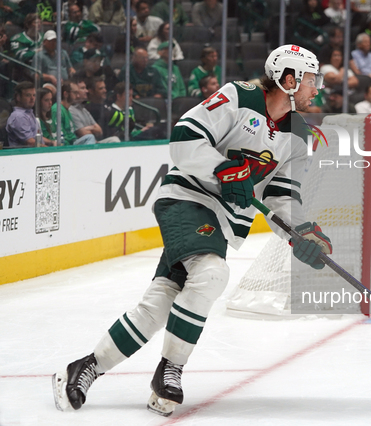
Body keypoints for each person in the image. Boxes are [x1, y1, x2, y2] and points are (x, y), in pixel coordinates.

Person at [52, 44, 331, 418]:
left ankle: (85, 366)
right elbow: (184, 139)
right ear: (289, 79)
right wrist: (222, 168)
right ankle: (171, 371)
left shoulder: (298, 133)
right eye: (312, 79)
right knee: (213, 273)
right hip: (186, 199)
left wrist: (303, 234)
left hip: (222, 222)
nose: (318, 88)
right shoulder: (238, 95)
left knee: (159, 303)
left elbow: (282, 198)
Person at [51, 80, 96, 145]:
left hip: (72, 143)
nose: (78, 96)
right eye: (75, 93)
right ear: (65, 94)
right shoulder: (57, 110)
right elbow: (58, 136)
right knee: (90, 137)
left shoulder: (68, 110)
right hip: (67, 146)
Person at [6, 81, 42, 147]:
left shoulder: (29, 113)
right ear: (18, 97)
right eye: (28, 95)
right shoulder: (18, 116)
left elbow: (36, 136)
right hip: (22, 155)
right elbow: (30, 142)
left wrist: (51, 142)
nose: (32, 98)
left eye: (34, 95)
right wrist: (50, 149)